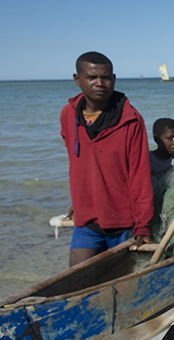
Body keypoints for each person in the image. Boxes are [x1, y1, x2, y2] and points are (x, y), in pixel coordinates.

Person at [60, 52, 154, 267]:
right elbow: (78, 162)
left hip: (123, 220)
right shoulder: (68, 115)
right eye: (92, 77)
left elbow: (139, 174)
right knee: (77, 278)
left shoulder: (130, 120)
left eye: (106, 77)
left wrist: (143, 225)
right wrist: (80, 198)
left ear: (114, 79)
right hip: (87, 218)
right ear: (78, 80)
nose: (100, 83)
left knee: (120, 283)